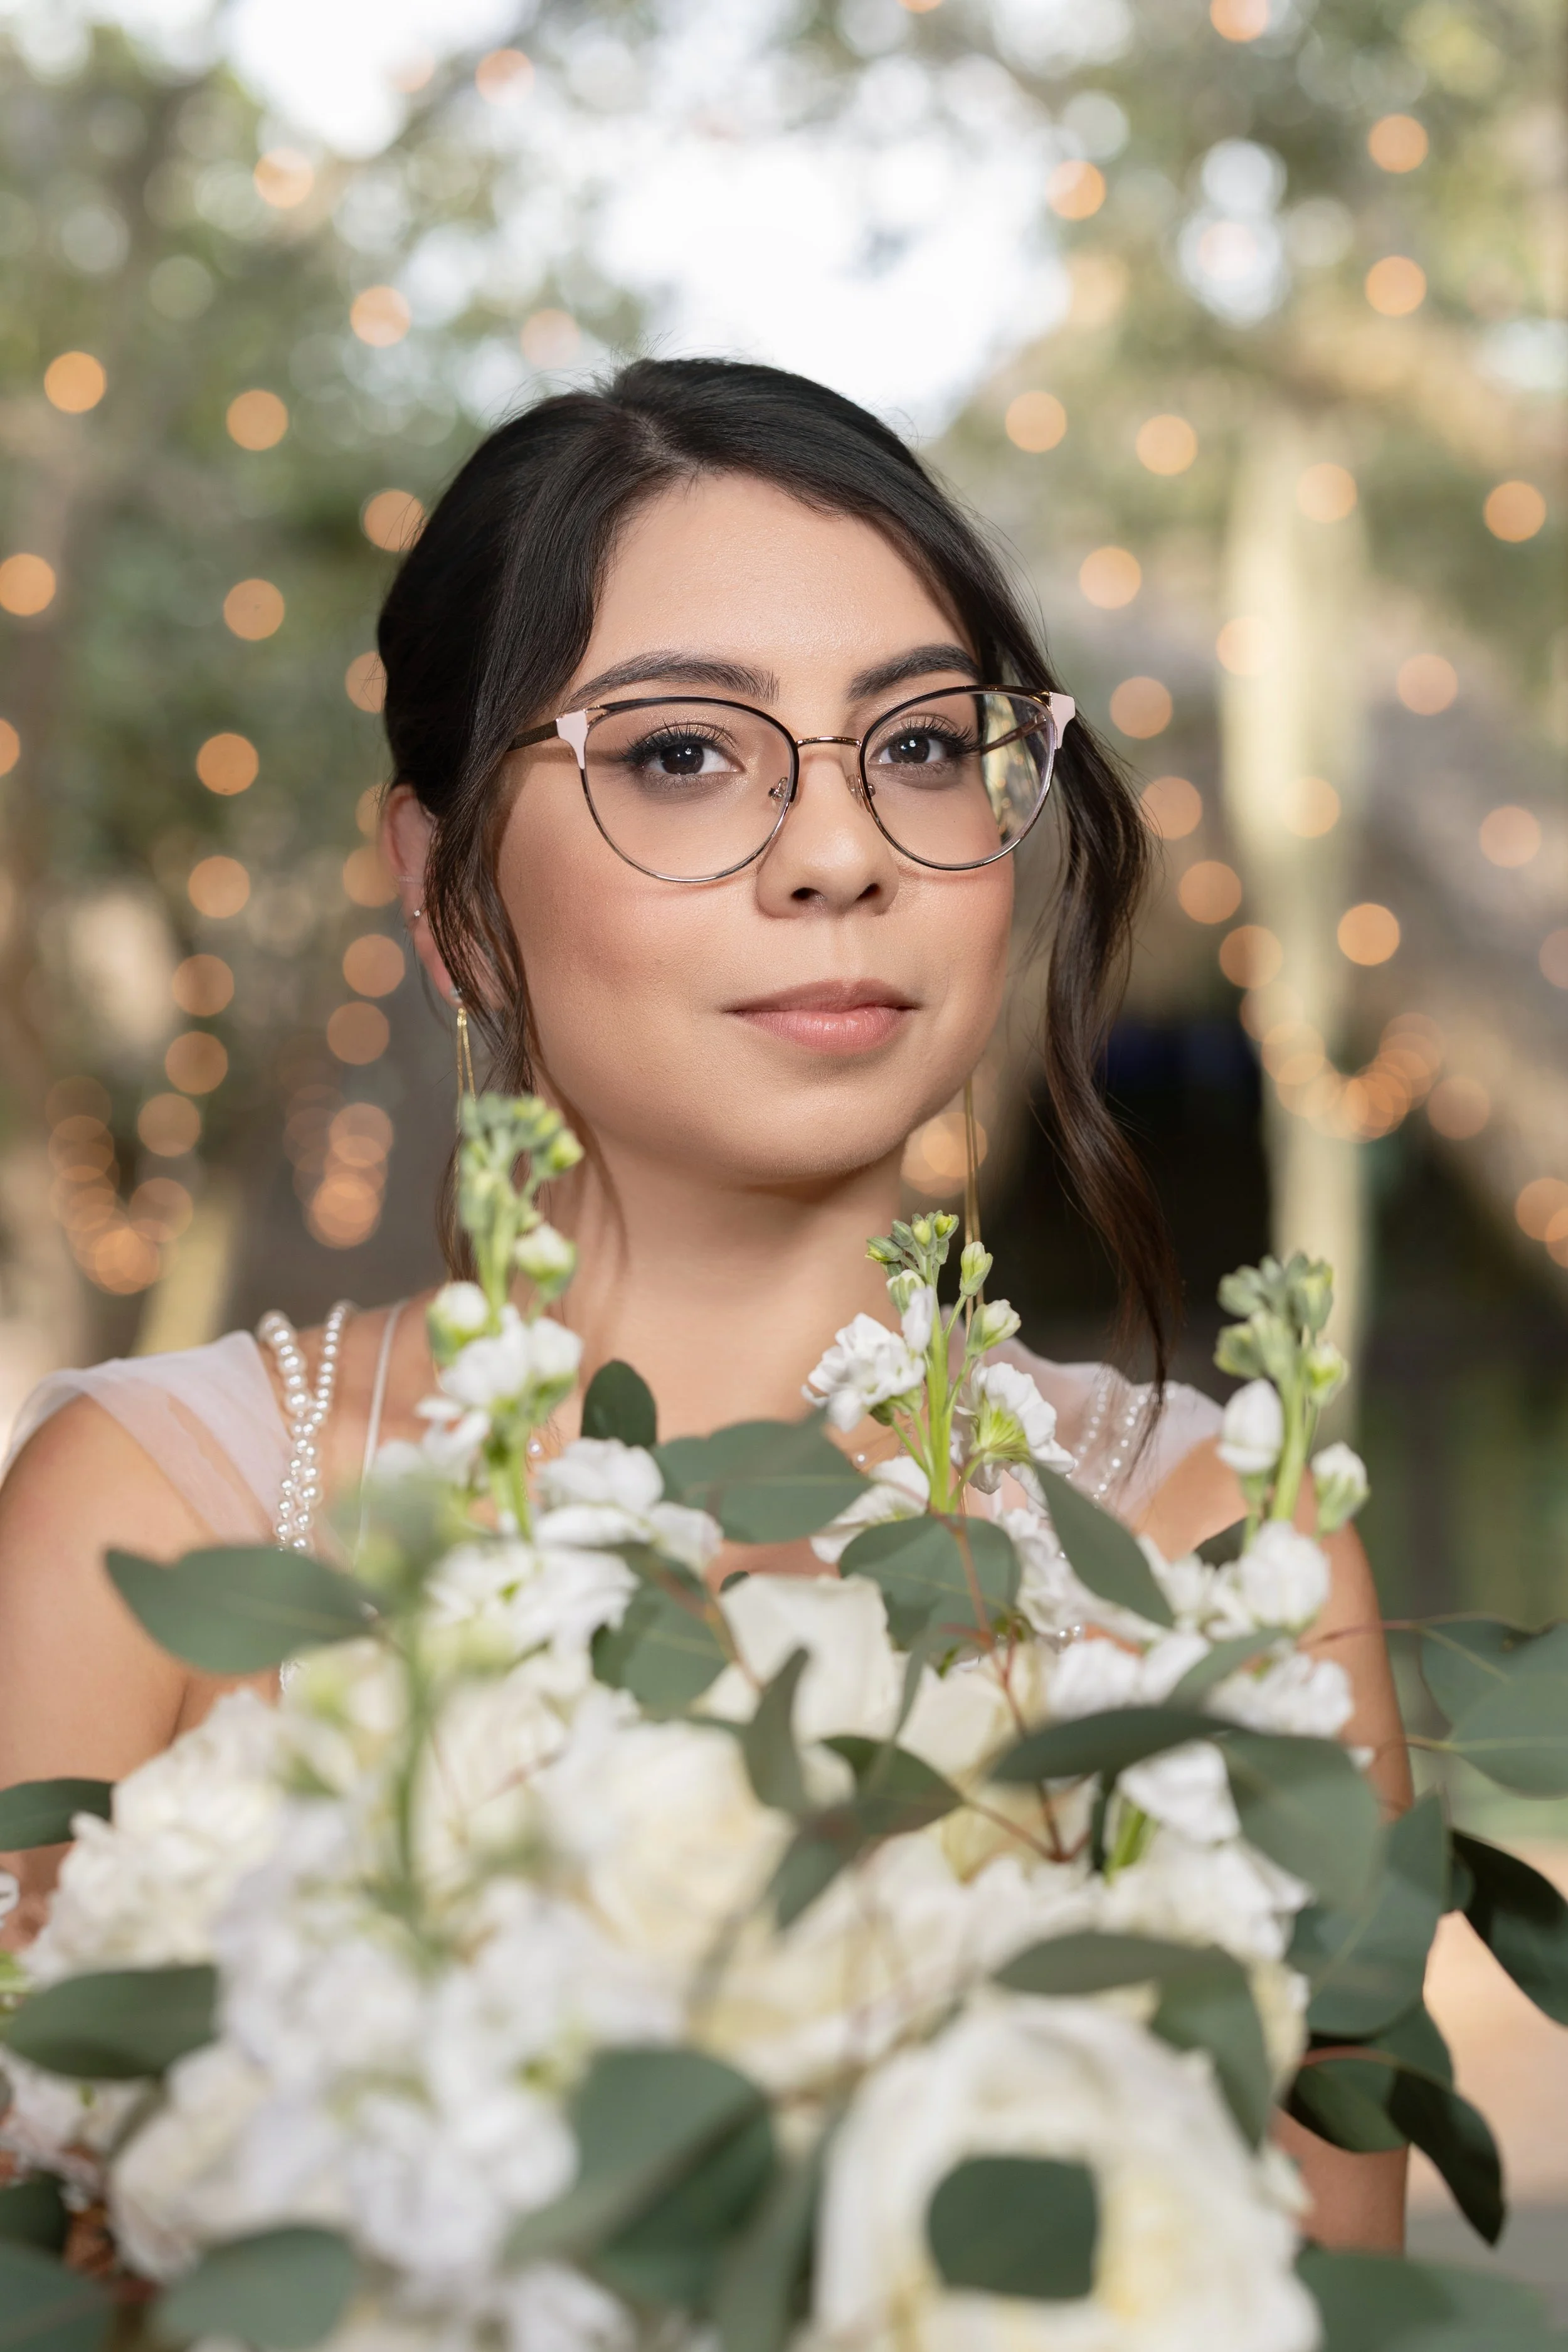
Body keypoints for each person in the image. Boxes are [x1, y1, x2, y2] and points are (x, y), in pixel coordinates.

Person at [0, 358, 1407, 2238]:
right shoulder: (152, 1520)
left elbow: (1321, 2278)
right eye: (678, 752)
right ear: (438, 890)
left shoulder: (1227, 1549)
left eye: (917, 744)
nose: (836, 854)